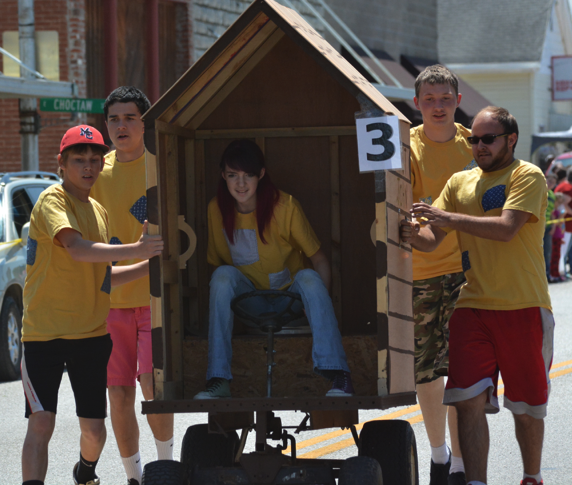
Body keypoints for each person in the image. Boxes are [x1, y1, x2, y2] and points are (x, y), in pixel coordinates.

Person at [401, 106, 553, 485]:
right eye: (474, 140)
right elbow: (431, 239)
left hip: (522, 305)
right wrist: (407, 230)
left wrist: (448, 219)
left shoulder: (527, 175)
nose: (479, 146)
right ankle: (475, 482)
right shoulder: (459, 182)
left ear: (511, 139)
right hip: (471, 307)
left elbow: (506, 229)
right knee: (466, 402)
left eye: (488, 139)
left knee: (526, 408)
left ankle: (531, 476)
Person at [20, 125, 163, 485]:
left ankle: (85, 472)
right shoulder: (52, 200)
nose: (88, 166)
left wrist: (152, 263)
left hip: (90, 335)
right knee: (42, 422)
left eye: (95, 159)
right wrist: (137, 249)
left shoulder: (98, 210)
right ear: (61, 163)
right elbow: (77, 249)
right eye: (78, 159)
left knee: (95, 432)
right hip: (43, 334)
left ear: (102, 163)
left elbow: (103, 277)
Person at [194, 139, 352, 400]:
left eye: (248, 175)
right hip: (250, 302)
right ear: (223, 176)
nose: (240, 184)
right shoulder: (216, 209)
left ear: (261, 174)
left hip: (290, 300)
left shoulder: (285, 206)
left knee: (310, 277)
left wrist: (314, 305)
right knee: (221, 276)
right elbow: (217, 266)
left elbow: (320, 260)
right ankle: (218, 379)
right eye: (232, 175)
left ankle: (339, 375)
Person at [89, 86, 174, 485]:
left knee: (153, 386)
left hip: (155, 300)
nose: (121, 126)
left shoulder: (160, 165)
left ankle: (165, 467)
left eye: (129, 118)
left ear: (144, 122)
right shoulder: (95, 172)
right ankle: (135, 477)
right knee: (119, 394)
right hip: (109, 303)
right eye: (114, 119)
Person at [409, 64, 470, 485]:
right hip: (420, 272)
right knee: (427, 372)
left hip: (466, 272)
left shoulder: (474, 144)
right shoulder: (405, 146)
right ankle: (438, 455)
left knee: (463, 371)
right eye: (429, 99)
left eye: (445, 98)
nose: (438, 106)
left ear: (458, 101)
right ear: (417, 103)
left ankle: (462, 464)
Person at [543, 175, 557, 281]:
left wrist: (553, 227)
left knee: (547, 252)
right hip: (538, 227)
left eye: (553, 182)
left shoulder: (552, 195)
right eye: (549, 181)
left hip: (548, 227)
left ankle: (547, 275)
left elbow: (552, 212)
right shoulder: (541, 191)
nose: (550, 184)